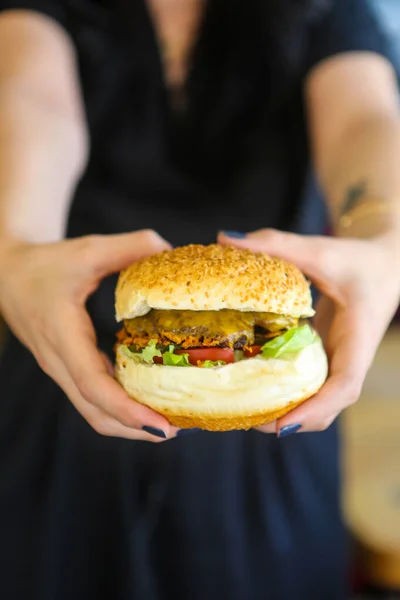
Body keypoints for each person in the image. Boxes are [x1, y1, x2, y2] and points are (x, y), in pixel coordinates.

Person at [0, 1, 399, 598]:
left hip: (276, 445)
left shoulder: (324, 9)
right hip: (63, 380)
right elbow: (31, 99)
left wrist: (384, 236)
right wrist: (15, 244)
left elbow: (363, 119)